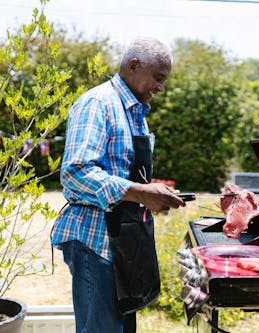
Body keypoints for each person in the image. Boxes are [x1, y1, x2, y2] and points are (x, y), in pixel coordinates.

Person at [51, 37, 186, 333]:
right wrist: (141, 193)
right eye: (158, 78)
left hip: (123, 241)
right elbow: (76, 173)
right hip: (95, 241)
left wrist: (153, 196)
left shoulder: (135, 112)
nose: (161, 87)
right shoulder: (98, 104)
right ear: (134, 66)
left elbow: (124, 172)